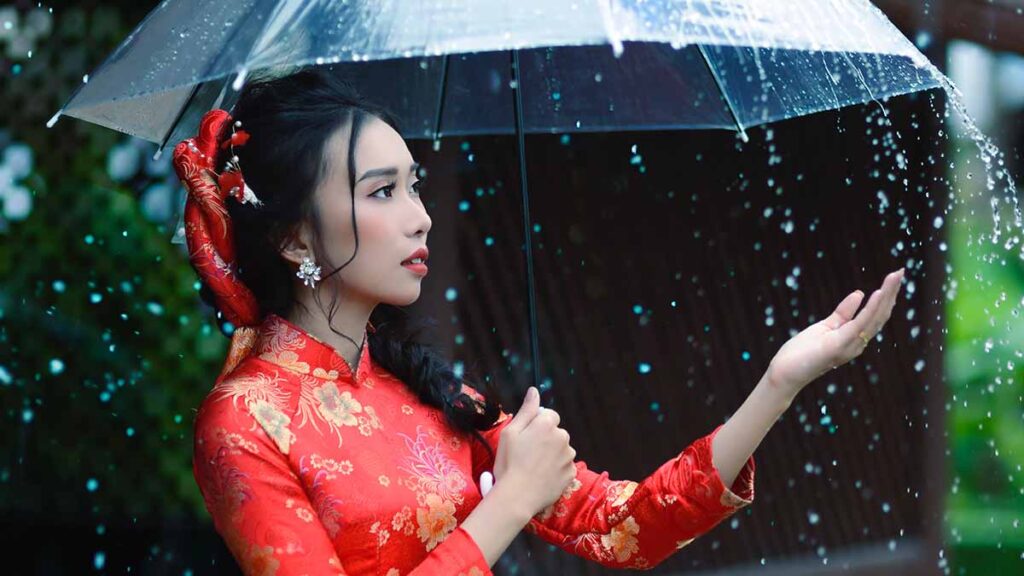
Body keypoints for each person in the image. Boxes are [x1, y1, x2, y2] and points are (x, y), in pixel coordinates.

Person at [179, 65, 904, 576]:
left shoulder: (427, 392)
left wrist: (780, 382)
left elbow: (627, 529)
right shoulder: (244, 422)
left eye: (414, 186)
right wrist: (510, 503)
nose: (420, 216)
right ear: (296, 238)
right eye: (382, 192)